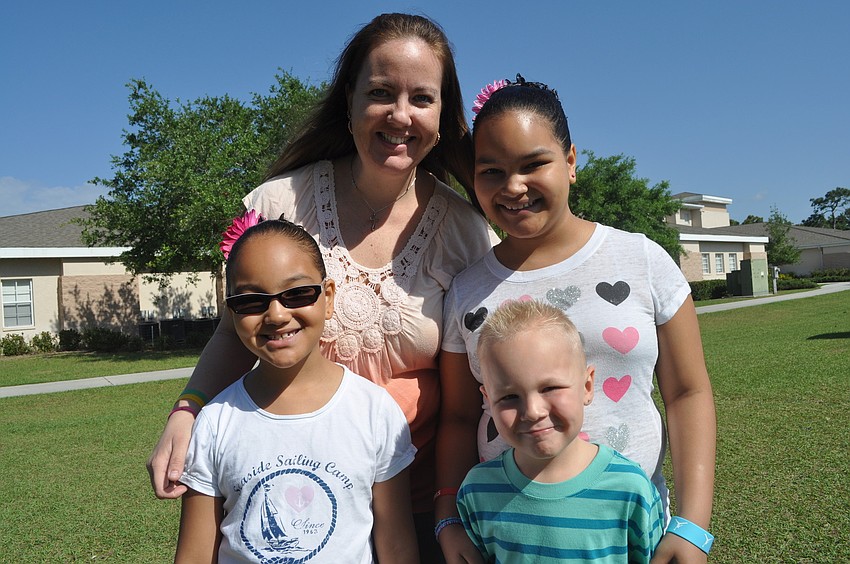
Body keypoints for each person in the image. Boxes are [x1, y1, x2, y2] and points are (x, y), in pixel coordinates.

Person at [147, 13, 497, 561]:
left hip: (425, 507)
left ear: (443, 116)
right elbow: (231, 333)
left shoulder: (468, 232)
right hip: (293, 489)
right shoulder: (277, 205)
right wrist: (187, 409)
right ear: (350, 102)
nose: (400, 114)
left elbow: (481, 377)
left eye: (422, 98)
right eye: (380, 92)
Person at [436, 76, 716, 563]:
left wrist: (692, 526)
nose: (513, 187)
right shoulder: (466, 289)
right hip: (507, 539)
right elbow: (460, 416)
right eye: (492, 171)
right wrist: (448, 519)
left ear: (570, 161)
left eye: (533, 164)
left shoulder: (642, 260)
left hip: (629, 537)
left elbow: (688, 392)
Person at [175, 218, 418, 562]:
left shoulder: (374, 412)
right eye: (251, 301)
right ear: (232, 312)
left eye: (297, 294)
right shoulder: (215, 422)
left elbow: (396, 545)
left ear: (328, 297)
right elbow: (194, 555)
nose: (276, 314)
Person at [455, 299, 664, 562]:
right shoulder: (477, 491)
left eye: (549, 388)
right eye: (509, 397)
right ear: (488, 399)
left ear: (587, 386)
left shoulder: (631, 489)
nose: (532, 411)